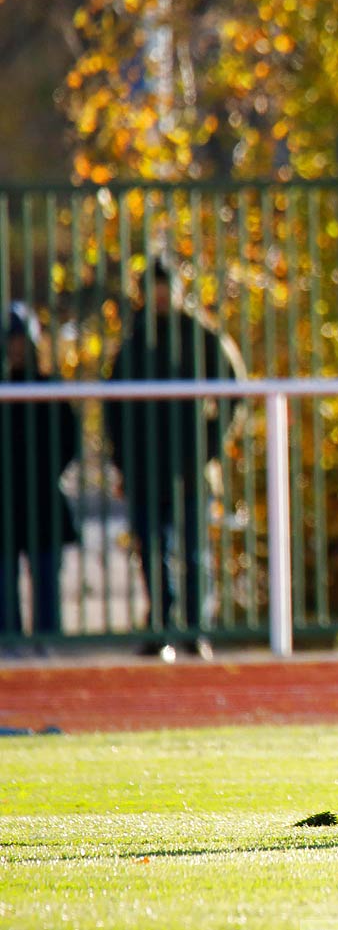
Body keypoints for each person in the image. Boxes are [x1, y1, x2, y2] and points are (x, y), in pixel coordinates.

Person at [103, 260, 241, 661]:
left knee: (195, 551)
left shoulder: (200, 336)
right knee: (152, 551)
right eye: (154, 288)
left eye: (165, 287)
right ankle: (160, 626)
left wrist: (209, 447)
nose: (160, 296)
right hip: (145, 468)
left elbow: (235, 391)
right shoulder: (134, 341)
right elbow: (116, 409)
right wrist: (123, 464)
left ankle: (195, 630)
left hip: (189, 468)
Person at [1, 302, 79, 654]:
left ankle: (46, 641)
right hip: (5, 499)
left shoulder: (50, 389)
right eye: (11, 341)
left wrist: (45, 473)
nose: (17, 348)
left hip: (43, 497)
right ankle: (10, 640)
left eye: (22, 341)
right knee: (4, 584)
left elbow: (69, 441)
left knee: (46, 578)